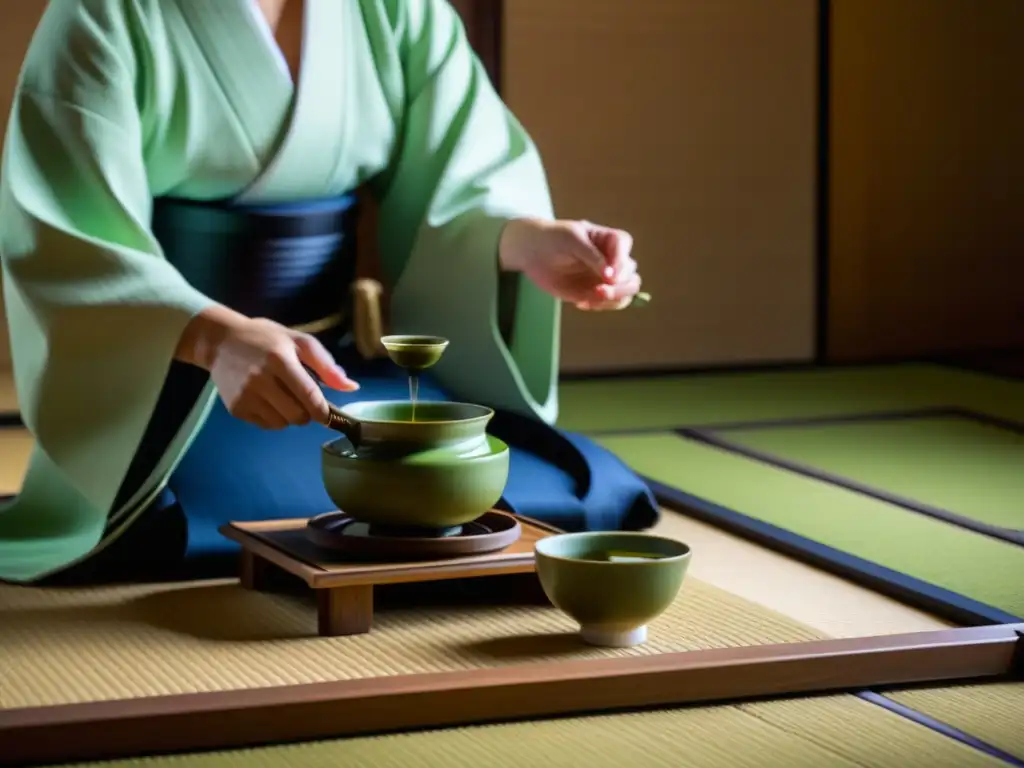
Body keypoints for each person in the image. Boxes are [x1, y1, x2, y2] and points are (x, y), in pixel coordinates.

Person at [0, 0, 656, 585]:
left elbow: (458, 180)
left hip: (332, 374)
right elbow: (67, 231)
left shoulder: (396, 11)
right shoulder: (104, 13)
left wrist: (524, 242)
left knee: (570, 495)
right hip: (174, 384)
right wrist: (212, 335)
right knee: (182, 525)